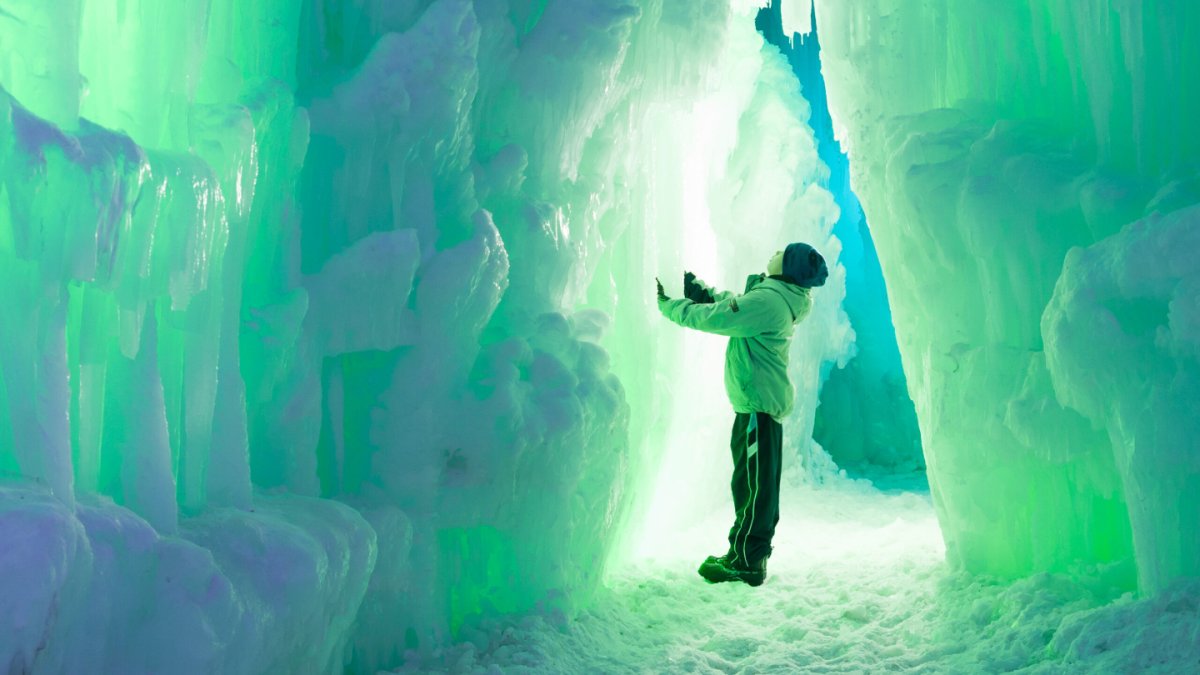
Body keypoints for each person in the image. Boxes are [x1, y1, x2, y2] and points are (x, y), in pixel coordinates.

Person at [655, 242, 828, 587]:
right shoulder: (776, 297)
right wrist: (701, 291)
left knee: (754, 488)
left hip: (757, 408)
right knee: (751, 484)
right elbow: (733, 305)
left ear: (786, 266)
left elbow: (721, 316)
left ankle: (749, 562)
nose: (774, 252)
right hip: (757, 405)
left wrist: (670, 306)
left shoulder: (770, 302)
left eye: (782, 252)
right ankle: (742, 554)